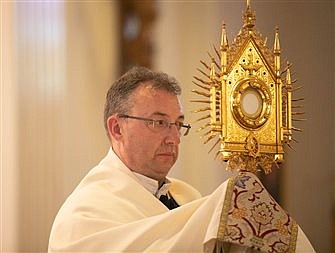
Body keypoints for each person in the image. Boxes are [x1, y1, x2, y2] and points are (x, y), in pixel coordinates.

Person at [48, 67, 315, 253]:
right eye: (159, 122)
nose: (173, 138)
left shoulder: (187, 196)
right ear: (117, 128)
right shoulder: (84, 215)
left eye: (178, 125)